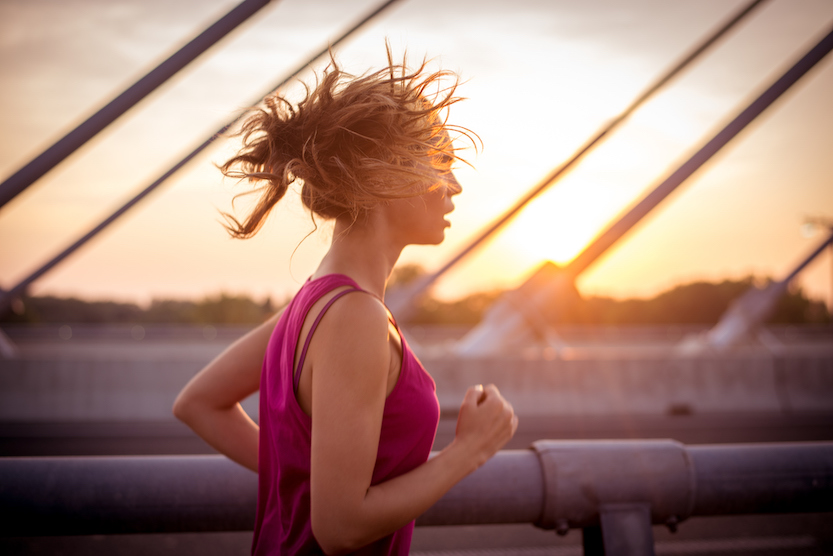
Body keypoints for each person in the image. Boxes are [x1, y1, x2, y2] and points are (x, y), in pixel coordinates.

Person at [173, 46, 518, 555]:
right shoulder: (355, 316)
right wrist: (469, 450)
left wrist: (306, 474)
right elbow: (340, 528)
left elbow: (198, 404)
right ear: (385, 177)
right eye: (439, 162)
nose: (455, 185)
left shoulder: (313, 302)